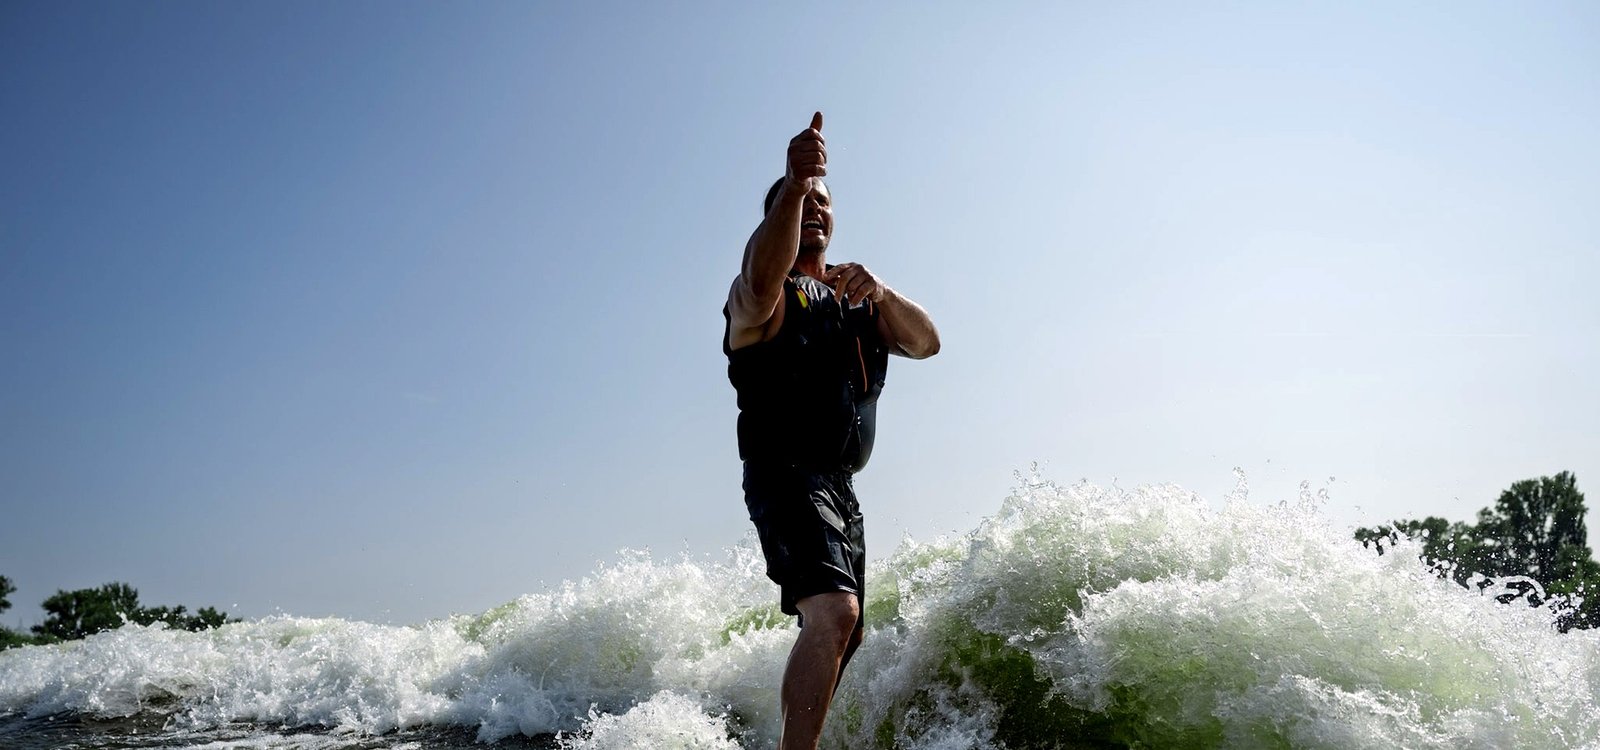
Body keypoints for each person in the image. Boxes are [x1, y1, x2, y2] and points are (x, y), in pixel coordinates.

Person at [722, 112, 940, 750]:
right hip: (784, 470)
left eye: (823, 200)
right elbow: (759, 278)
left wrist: (883, 291)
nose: (814, 207)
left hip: (840, 488)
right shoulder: (763, 296)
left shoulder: (856, 298)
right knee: (834, 613)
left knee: (849, 630)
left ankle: (790, 737)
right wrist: (793, 183)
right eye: (800, 202)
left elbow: (927, 343)